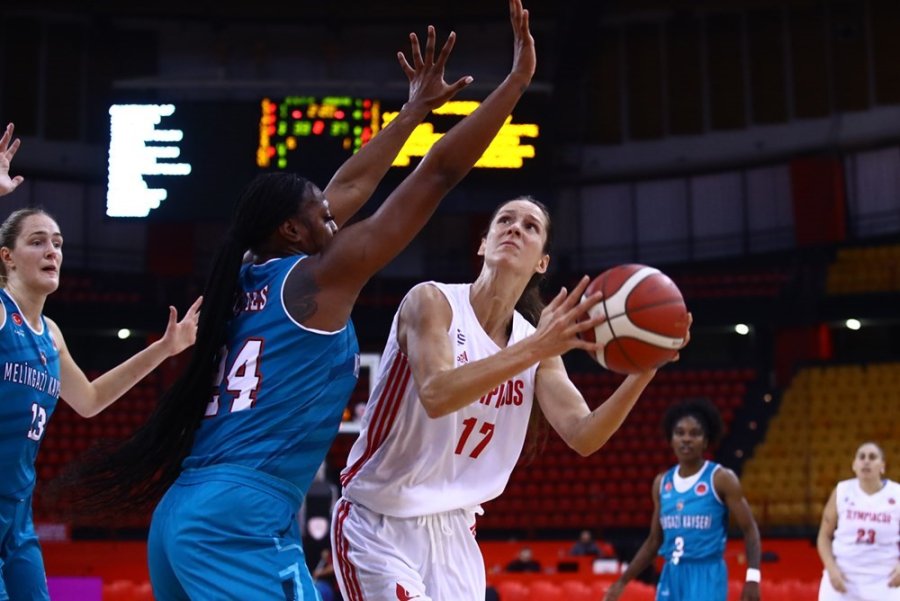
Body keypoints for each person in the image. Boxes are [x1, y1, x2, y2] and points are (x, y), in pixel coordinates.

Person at [64, 3, 537, 597]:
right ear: (291, 230)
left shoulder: (243, 275)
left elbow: (348, 188)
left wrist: (413, 111)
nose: (336, 217)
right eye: (321, 214)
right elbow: (437, 175)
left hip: (182, 512)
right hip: (240, 519)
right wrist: (515, 82)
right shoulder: (316, 282)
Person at [329, 12, 688, 598]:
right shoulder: (432, 303)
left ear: (542, 261)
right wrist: (540, 347)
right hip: (378, 523)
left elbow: (584, 435)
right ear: (482, 242)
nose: (515, 229)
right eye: (503, 221)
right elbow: (439, 393)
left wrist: (642, 371)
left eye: (531, 226)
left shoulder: (534, 343)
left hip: (456, 536)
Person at [0, 123, 201, 600]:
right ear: (5, 258)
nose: (53, 250)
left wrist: (164, 349)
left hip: (17, 518)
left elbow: (89, 401)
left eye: (59, 243)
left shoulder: (50, 335)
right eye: (38, 242)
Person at [604, 398, 761, 601]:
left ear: (706, 440)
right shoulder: (662, 483)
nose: (686, 439)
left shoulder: (721, 478)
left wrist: (753, 577)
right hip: (671, 574)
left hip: (706, 574)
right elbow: (654, 541)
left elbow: (749, 529)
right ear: (671, 439)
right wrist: (622, 581)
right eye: (680, 433)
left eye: (694, 433)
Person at [816, 441, 900, 601]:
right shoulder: (842, 491)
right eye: (861, 457)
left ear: (882, 466)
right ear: (854, 465)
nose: (866, 461)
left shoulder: (897, 494)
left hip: (885, 580)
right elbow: (824, 536)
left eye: (872, 457)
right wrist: (831, 568)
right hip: (843, 577)